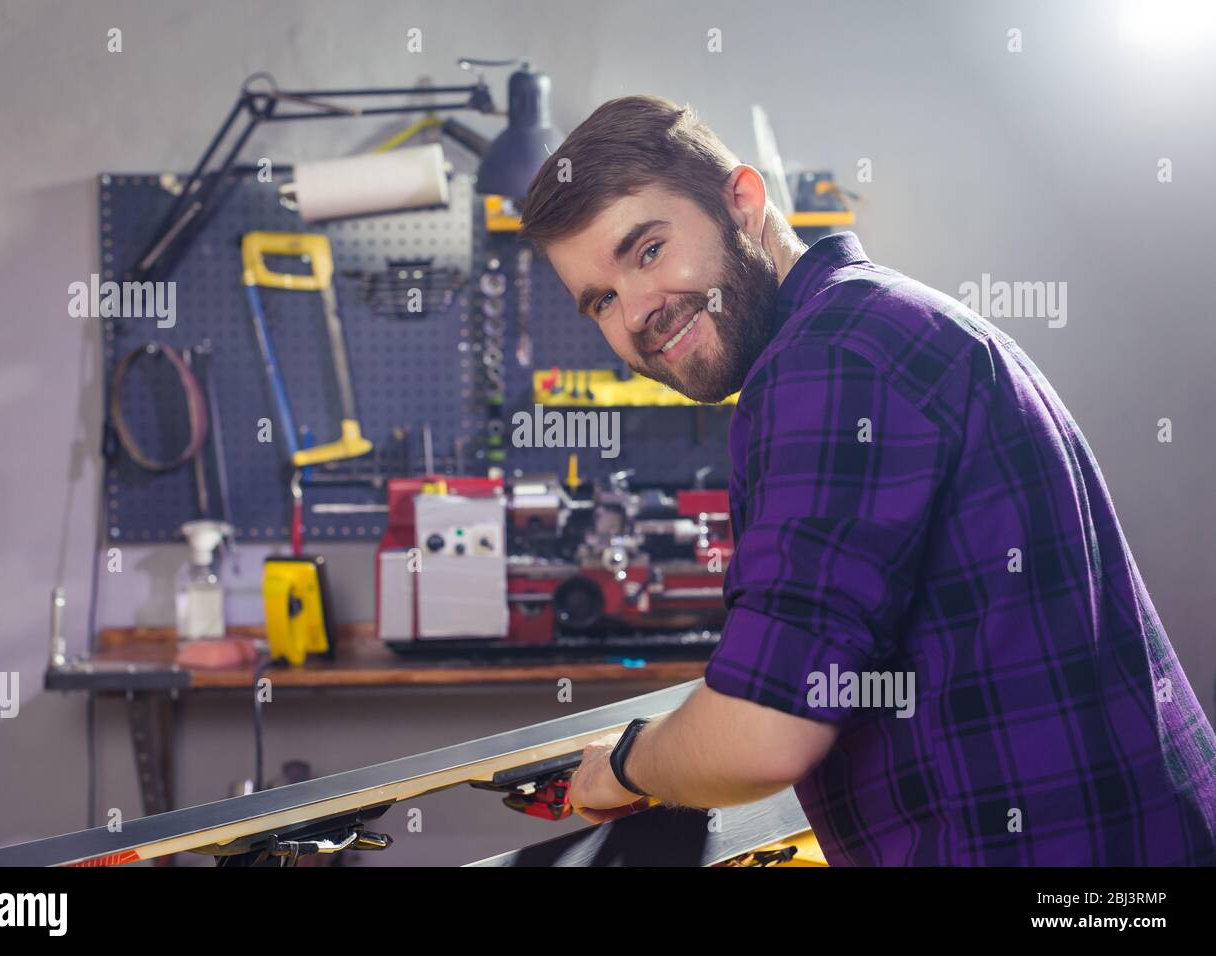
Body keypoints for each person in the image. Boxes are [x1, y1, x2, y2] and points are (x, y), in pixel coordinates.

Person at [514, 95, 1216, 865]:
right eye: (603, 301)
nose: (638, 310)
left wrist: (627, 765)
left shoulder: (829, 360)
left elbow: (763, 732)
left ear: (741, 202)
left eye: (648, 251)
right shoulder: (885, 322)